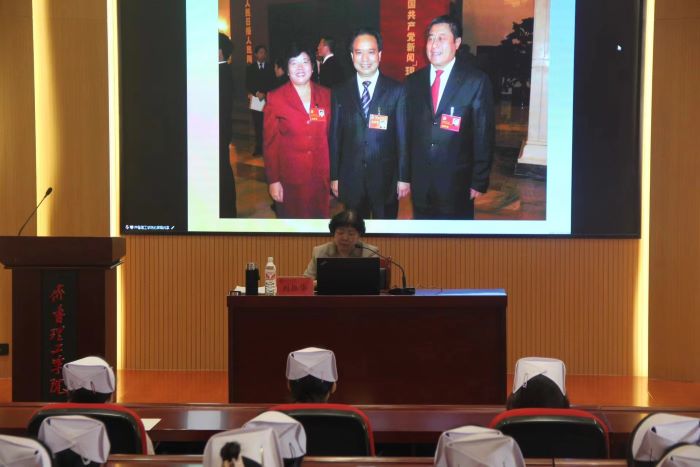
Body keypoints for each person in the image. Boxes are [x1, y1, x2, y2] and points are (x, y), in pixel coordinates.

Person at [405, 15, 495, 219]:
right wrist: (404, 176)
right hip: (421, 182)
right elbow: (406, 132)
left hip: (457, 183)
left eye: (441, 38)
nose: (434, 44)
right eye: (430, 38)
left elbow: (484, 134)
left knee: (455, 236)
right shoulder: (412, 82)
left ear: (457, 43)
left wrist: (479, 180)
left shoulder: (475, 81)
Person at [329, 28, 409, 219]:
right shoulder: (340, 92)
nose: (365, 58)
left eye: (371, 52)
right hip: (351, 179)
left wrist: (404, 177)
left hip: (386, 180)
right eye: (359, 52)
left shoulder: (396, 91)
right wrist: (335, 176)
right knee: (356, 231)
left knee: (385, 231)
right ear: (352, 56)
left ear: (379, 55)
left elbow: (403, 138)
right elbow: (335, 138)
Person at [263, 43, 331, 219]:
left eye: (305, 62)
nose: (300, 68)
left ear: (313, 66)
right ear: (287, 69)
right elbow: (270, 144)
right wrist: (274, 180)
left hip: (320, 178)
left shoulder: (326, 95)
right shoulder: (275, 98)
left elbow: (332, 137)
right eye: (294, 63)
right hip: (290, 179)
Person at [303, 209, 378, 279]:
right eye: (340, 233)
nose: (345, 238)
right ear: (333, 233)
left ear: (359, 235)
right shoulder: (320, 252)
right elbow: (307, 280)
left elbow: (375, 282)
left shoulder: (370, 253)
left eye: (351, 234)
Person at [219, 33, 237, 218]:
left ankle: (227, 211)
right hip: (221, 128)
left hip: (220, 129)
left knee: (222, 168)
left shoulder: (222, 72)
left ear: (219, 51)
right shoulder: (223, 71)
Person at [246, 45, 275, 155]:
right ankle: (258, 147)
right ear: (256, 54)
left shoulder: (270, 67)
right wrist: (257, 93)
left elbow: (272, 83)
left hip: (267, 98)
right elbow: (248, 83)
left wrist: (265, 94)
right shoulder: (250, 68)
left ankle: (268, 147)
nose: (263, 54)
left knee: (267, 124)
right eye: (260, 52)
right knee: (257, 124)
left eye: (264, 52)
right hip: (256, 99)